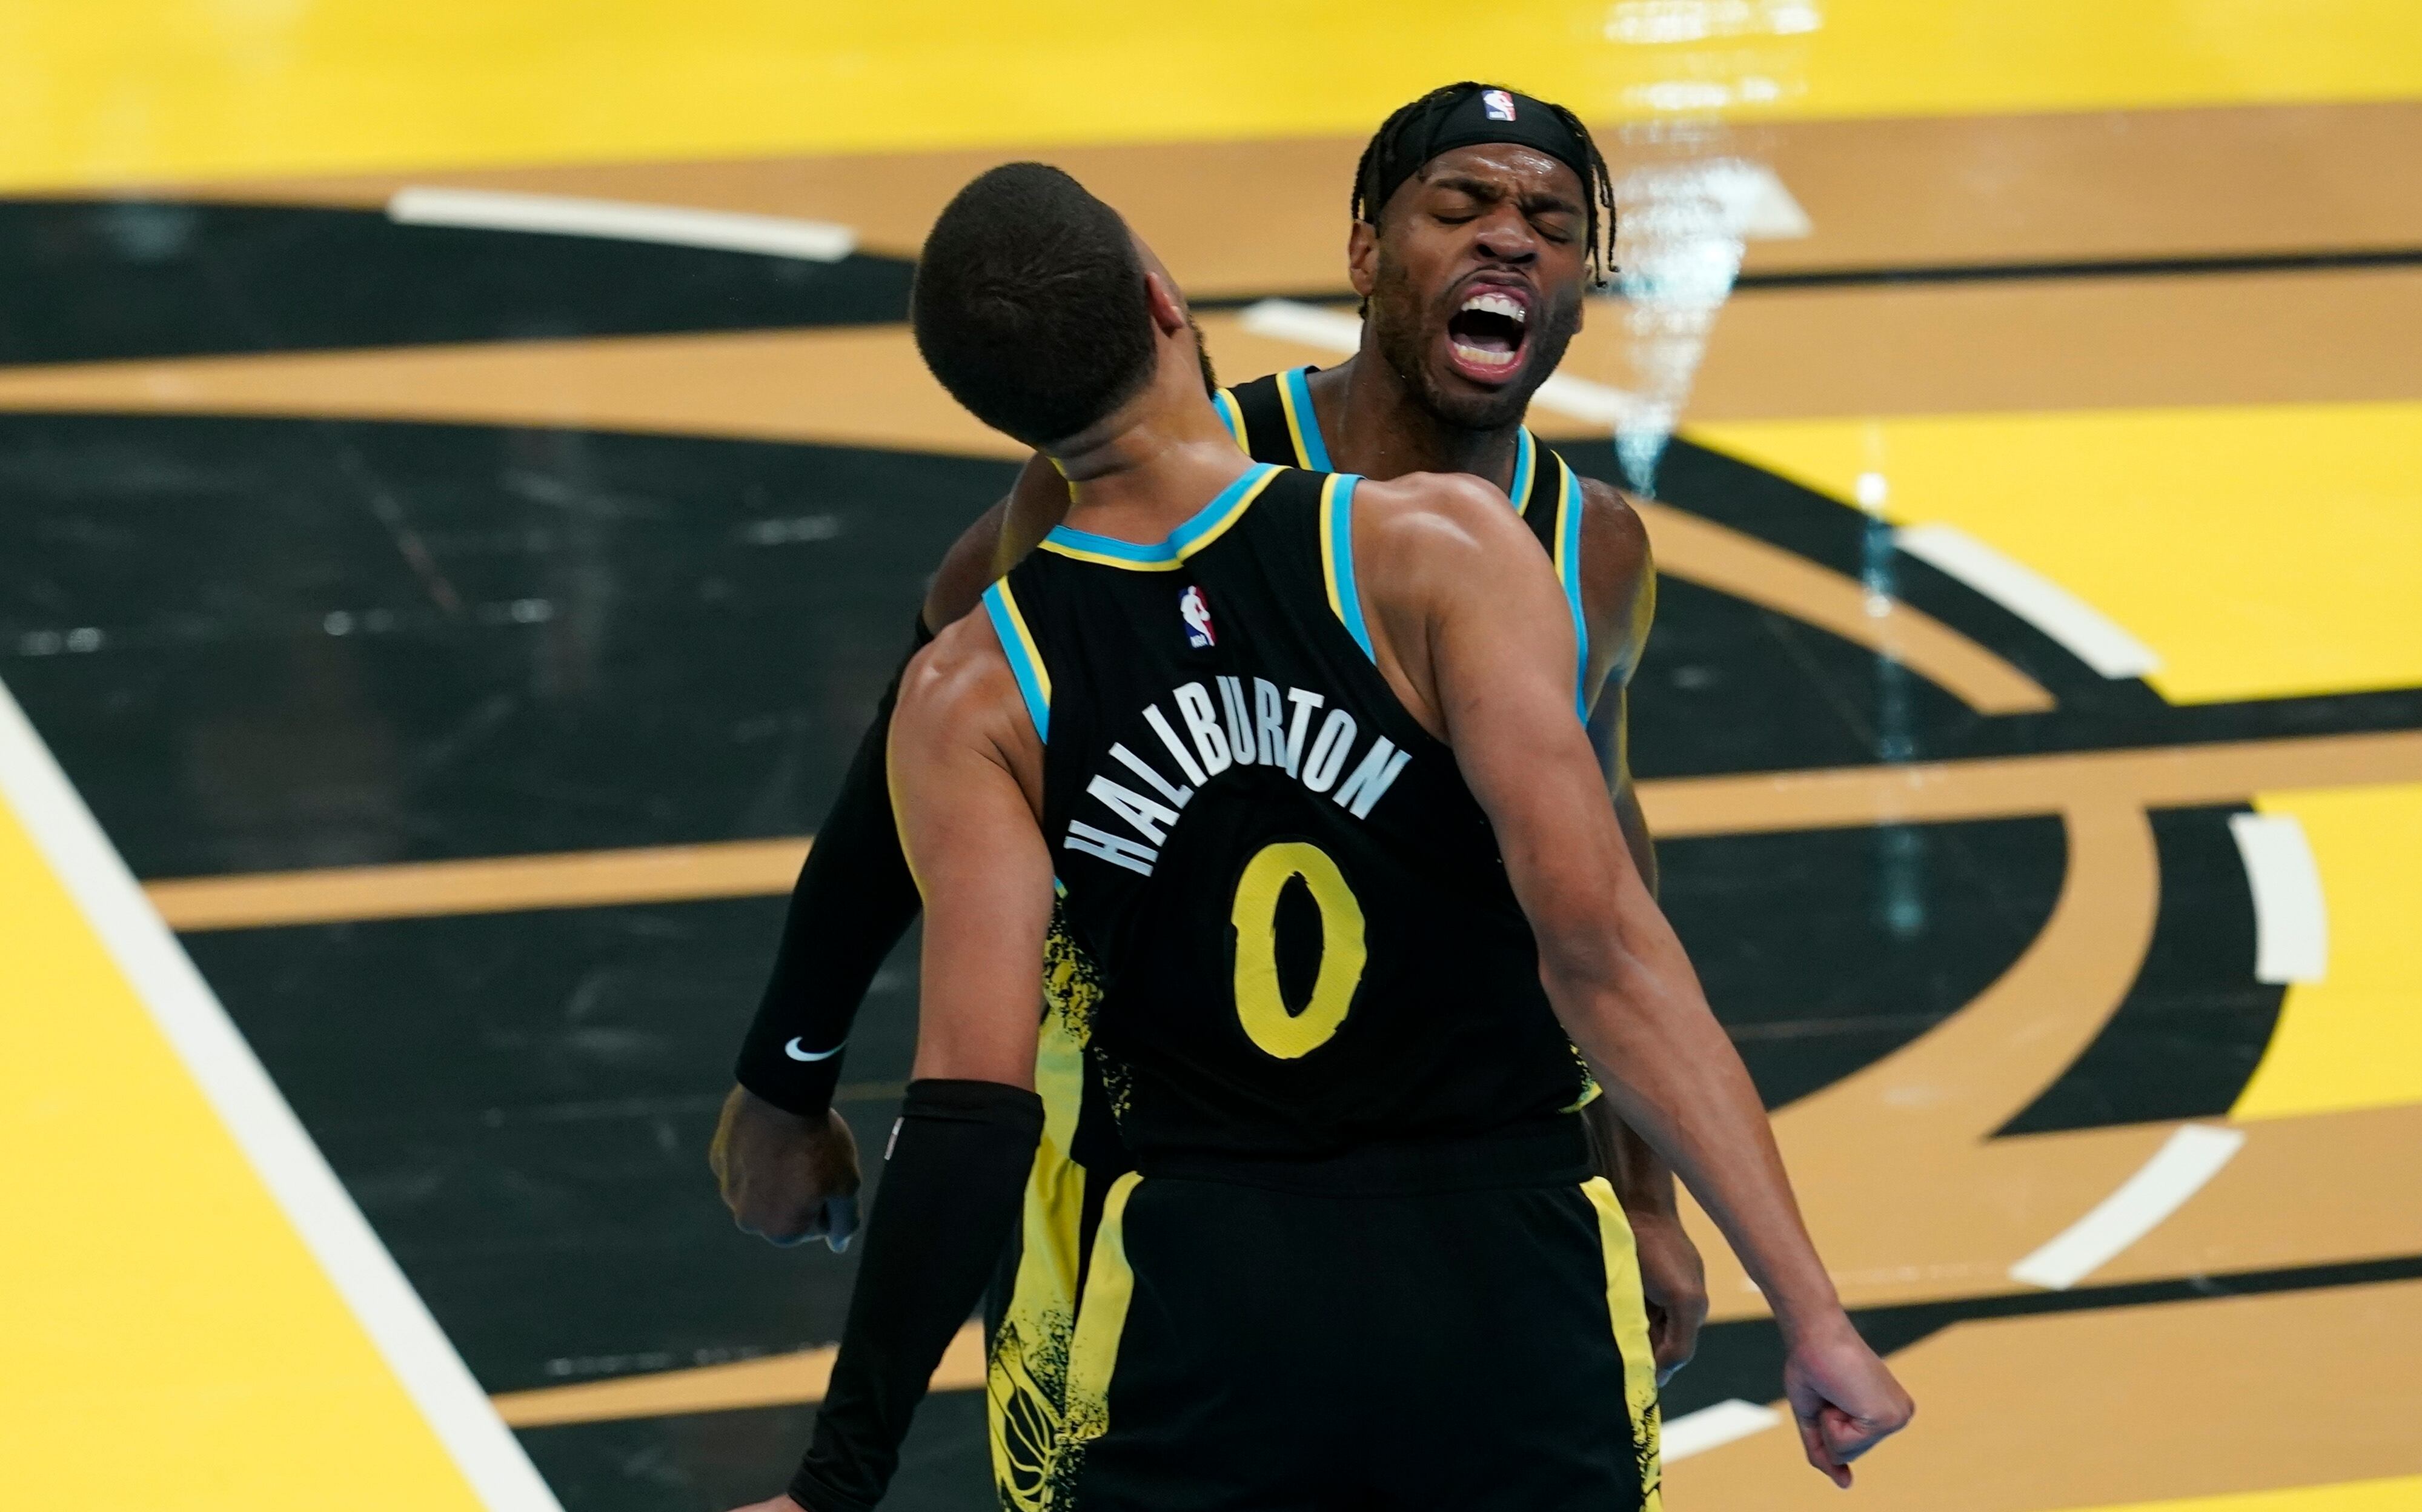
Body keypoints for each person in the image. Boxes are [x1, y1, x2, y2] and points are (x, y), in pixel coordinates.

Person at [731, 162, 1909, 1512]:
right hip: (1504, 1283)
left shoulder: (973, 686)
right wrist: (1809, 1312)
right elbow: (1606, 956)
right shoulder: (1445, 552)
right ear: (1163, 303)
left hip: (1190, 1309)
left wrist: (833, 1485)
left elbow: (969, 1114)